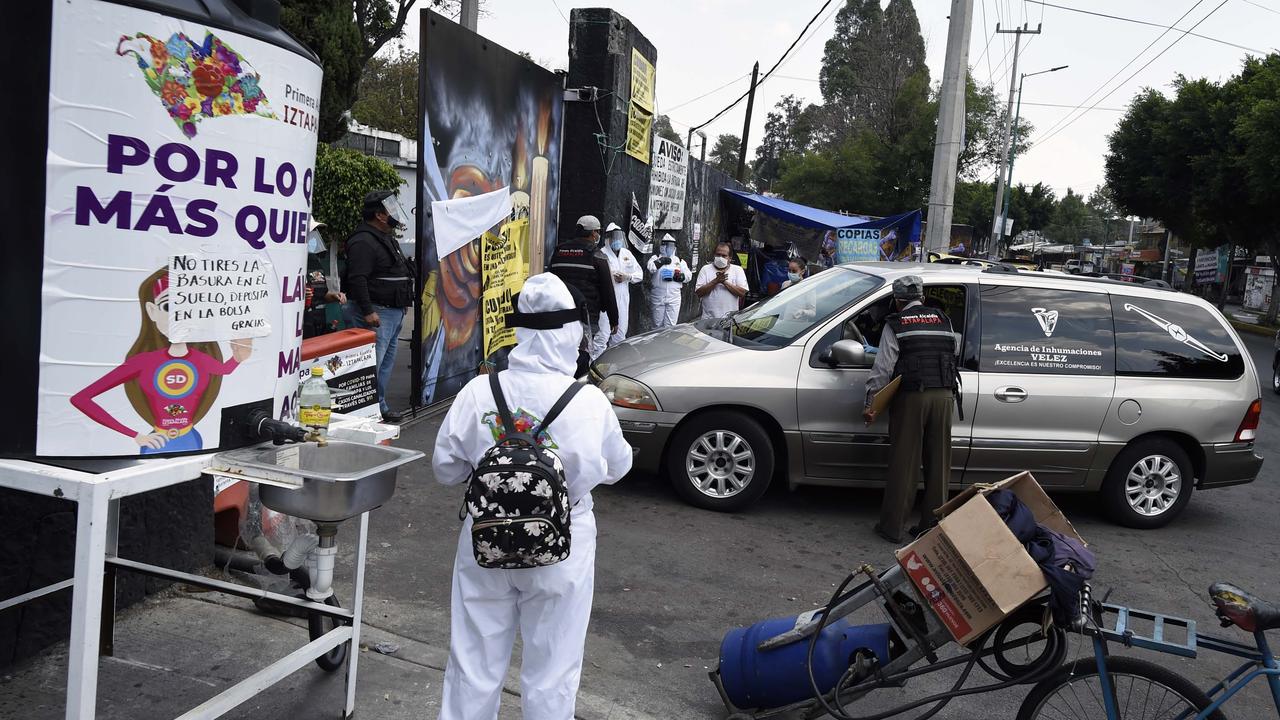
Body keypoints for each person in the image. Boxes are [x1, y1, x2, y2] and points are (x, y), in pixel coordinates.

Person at [432, 273, 632, 720]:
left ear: (518, 330)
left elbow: (445, 471)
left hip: (484, 540)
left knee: (473, 663)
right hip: (564, 546)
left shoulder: (479, 390)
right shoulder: (590, 401)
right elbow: (619, 468)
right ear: (572, 333)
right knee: (553, 671)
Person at [861, 276, 959, 544]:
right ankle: (932, 526)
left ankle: (892, 527)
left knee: (904, 463)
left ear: (896, 301)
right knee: (939, 464)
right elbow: (952, 352)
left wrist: (871, 404)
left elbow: (882, 369)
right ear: (923, 299)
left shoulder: (896, 324)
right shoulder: (944, 320)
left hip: (912, 397)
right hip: (944, 396)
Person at [342, 189, 414, 422]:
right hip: (376, 313)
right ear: (379, 215)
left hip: (392, 312)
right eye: (389, 208)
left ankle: (378, 406)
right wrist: (368, 311)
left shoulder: (385, 238)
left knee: (384, 366)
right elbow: (357, 279)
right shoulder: (363, 240)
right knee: (371, 365)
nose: (394, 212)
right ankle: (365, 410)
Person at [548, 215, 619, 360]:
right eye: (598, 231)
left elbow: (550, 280)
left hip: (560, 313)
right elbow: (608, 290)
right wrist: (614, 320)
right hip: (586, 315)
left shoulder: (559, 251)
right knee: (581, 356)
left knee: (559, 353)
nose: (598, 234)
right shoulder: (597, 255)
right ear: (593, 233)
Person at [599, 222, 642, 348]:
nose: (617, 240)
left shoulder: (626, 254)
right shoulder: (602, 254)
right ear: (608, 238)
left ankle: (614, 367)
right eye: (614, 237)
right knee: (602, 336)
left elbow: (640, 274)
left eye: (619, 237)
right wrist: (611, 275)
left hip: (623, 301)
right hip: (606, 301)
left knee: (620, 337)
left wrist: (627, 277)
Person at [695, 241, 749, 320]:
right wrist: (715, 281)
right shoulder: (705, 269)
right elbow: (699, 293)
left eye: (724, 256)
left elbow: (742, 293)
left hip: (729, 320)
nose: (720, 258)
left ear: (730, 258)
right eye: (718, 255)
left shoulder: (738, 270)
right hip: (708, 319)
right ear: (714, 255)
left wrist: (724, 282)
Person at [647, 233, 691, 328]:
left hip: (674, 297)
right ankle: (656, 342)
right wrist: (661, 261)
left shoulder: (679, 260)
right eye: (666, 245)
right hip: (658, 295)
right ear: (662, 246)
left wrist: (679, 276)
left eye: (671, 246)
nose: (669, 248)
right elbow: (651, 268)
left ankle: (667, 342)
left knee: (670, 325)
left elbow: (688, 276)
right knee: (657, 325)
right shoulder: (655, 258)